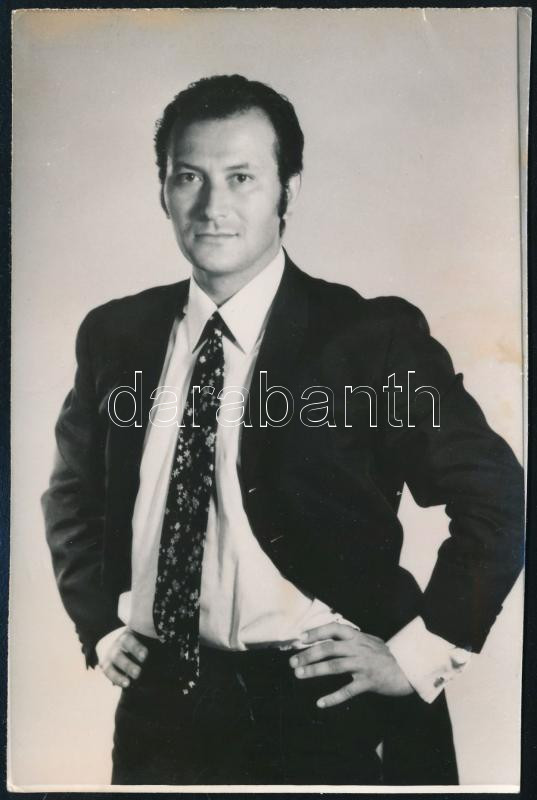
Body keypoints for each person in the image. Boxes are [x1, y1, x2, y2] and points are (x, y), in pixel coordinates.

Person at [42, 74, 524, 786]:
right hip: (162, 710)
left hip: (324, 705)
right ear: (163, 192)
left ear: (287, 192)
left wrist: (419, 655)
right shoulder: (117, 334)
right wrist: (101, 625)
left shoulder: (369, 338)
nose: (212, 206)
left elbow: (496, 495)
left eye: (241, 178)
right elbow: (73, 494)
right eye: (189, 177)